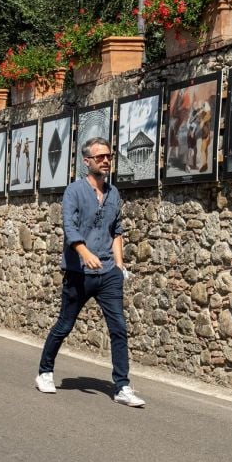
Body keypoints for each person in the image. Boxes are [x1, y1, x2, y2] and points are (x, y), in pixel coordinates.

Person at [34, 137, 145, 408]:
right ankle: (45, 372)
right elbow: (69, 228)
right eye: (100, 157)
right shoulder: (74, 191)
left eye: (108, 156)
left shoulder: (114, 193)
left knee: (118, 328)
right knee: (64, 325)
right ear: (87, 162)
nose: (106, 161)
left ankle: (122, 386)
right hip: (78, 272)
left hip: (108, 273)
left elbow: (116, 229)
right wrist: (85, 254)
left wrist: (119, 265)